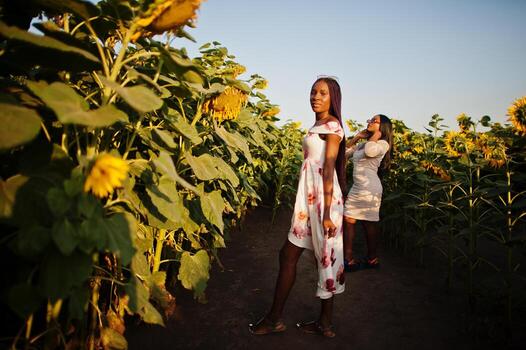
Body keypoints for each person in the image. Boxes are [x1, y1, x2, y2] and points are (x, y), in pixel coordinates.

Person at [249, 77, 347, 338]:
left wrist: (327, 213)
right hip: (309, 199)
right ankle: (294, 320)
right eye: (313, 91)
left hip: (324, 201)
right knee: (291, 255)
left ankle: (283, 320)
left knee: (325, 258)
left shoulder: (332, 126)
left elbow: (328, 167)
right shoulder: (317, 125)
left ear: (333, 98)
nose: (316, 96)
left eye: (323, 93)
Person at [342, 114, 393, 272]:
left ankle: (372, 258)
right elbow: (344, 154)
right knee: (348, 219)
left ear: (382, 126)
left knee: (368, 224)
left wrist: (377, 135)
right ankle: (348, 259)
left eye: (374, 121)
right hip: (358, 187)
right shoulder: (364, 143)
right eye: (369, 120)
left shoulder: (383, 144)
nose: (369, 122)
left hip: (370, 188)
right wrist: (357, 137)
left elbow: (371, 152)